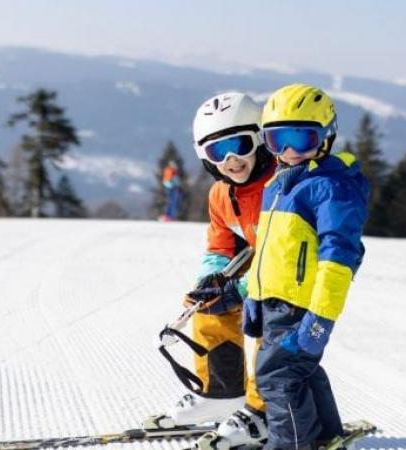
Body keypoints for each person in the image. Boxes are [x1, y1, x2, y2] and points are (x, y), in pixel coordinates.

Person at [243, 84, 369, 450]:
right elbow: (269, 248)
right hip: (275, 302)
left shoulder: (331, 187)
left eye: (302, 140)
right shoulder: (280, 183)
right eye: (277, 140)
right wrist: (255, 294)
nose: (289, 152)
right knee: (300, 371)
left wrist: (321, 316)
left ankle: (292, 445)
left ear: (326, 137)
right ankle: (326, 436)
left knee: (278, 379)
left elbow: (340, 256)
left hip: (301, 306)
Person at [150, 92, 276, 449]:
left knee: (273, 318)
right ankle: (222, 392)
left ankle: (264, 410)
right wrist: (212, 281)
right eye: (218, 152)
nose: (232, 160)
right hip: (262, 266)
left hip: (294, 274)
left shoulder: (282, 187)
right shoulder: (222, 194)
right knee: (209, 304)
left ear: (262, 139)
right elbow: (221, 245)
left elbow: (284, 261)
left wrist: (240, 289)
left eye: (240, 145)